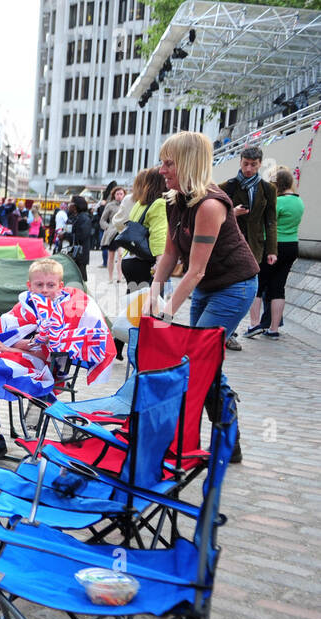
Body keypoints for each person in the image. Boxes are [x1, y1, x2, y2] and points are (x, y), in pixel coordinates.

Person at [150, 130, 258, 460]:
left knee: (197, 360)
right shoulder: (175, 201)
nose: (162, 170)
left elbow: (195, 270)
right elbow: (169, 255)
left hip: (234, 287)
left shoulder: (210, 205)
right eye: (162, 162)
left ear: (188, 164)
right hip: (209, 287)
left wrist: (167, 311)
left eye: (169, 163)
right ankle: (230, 441)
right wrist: (154, 290)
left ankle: (225, 439)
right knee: (201, 361)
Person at [0, 257, 113, 464]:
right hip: (12, 359)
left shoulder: (67, 312)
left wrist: (17, 345)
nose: (44, 290)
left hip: (42, 370)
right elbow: (5, 335)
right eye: (39, 285)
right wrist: (13, 344)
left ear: (60, 286)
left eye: (50, 285)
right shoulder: (22, 309)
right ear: (29, 286)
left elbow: (53, 354)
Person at [219, 145, 276, 347]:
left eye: (253, 165)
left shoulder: (268, 189)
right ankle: (229, 333)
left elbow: (270, 221)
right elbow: (214, 215)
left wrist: (272, 250)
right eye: (245, 164)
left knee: (247, 290)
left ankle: (230, 330)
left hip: (255, 246)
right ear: (240, 162)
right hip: (230, 245)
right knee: (230, 288)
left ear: (260, 164)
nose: (249, 169)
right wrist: (231, 213)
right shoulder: (228, 187)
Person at [245, 167, 304, 340]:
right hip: (292, 246)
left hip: (272, 246)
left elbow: (265, 223)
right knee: (279, 288)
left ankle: (254, 324)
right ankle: (274, 328)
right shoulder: (299, 202)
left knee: (258, 284)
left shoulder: (278, 202)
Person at [117, 168, 167, 290]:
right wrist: (160, 263)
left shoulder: (140, 203)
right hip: (144, 263)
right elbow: (158, 235)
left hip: (129, 259)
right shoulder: (159, 203)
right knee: (150, 305)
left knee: (134, 304)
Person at [99, 186, 126, 274]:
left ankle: (119, 276)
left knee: (121, 255)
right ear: (114, 195)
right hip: (112, 233)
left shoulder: (126, 204)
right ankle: (110, 277)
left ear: (124, 195)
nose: (119, 196)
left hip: (123, 231)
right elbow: (102, 220)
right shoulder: (110, 205)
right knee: (111, 256)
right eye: (117, 194)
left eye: (121, 194)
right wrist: (108, 227)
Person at [67, 196, 93, 283]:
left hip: (80, 254)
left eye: (70, 203)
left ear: (75, 206)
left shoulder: (84, 218)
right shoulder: (74, 217)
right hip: (74, 253)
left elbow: (81, 236)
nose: (68, 205)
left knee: (80, 278)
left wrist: (66, 235)